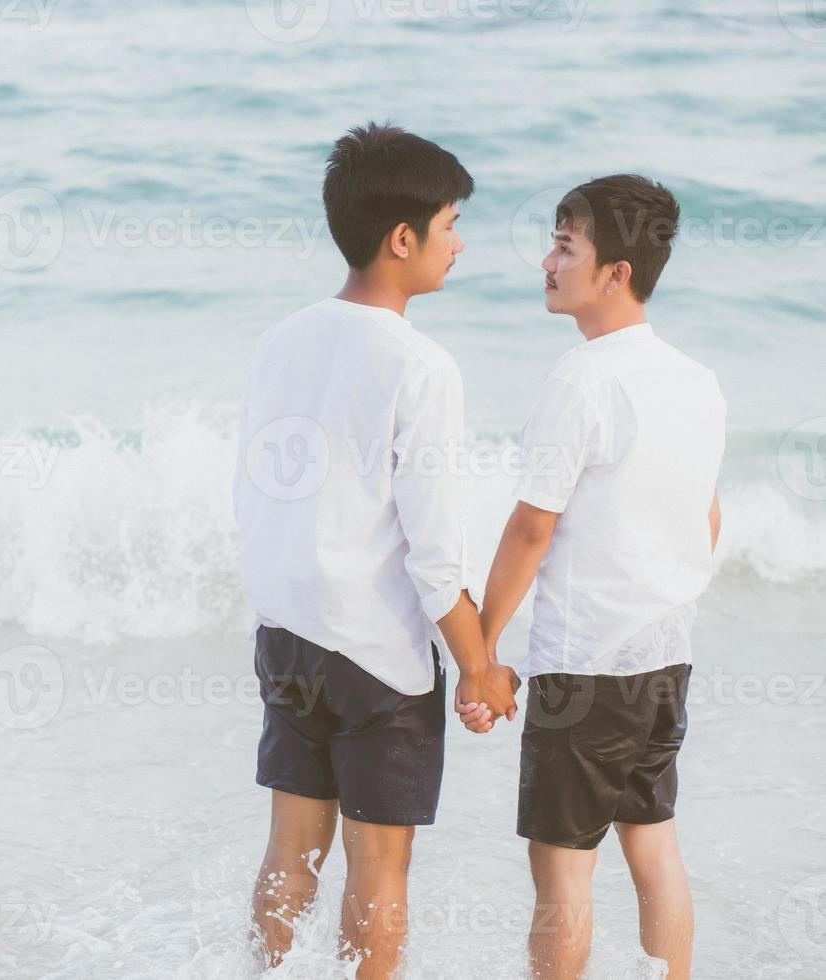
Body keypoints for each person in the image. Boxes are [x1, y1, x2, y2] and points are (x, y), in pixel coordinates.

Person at [233, 121, 518, 976]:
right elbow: (435, 558)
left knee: (291, 852)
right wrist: (479, 669)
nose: (458, 243)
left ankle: (264, 972)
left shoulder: (279, 340)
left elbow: (254, 494)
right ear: (403, 239)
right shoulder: (421, 365)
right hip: (377, 659)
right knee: (379, 863)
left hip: (285, 635)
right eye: (451, 224)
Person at [462, 175, 726, 980]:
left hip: (583, 667)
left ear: (614, 270)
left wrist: (485, 645)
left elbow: (531, 526)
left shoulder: (583, 378)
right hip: (664, 658)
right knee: (655, 848)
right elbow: (707, 519)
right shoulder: (696, 381)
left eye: (565, 246)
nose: (548, 260)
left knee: (563, 872)